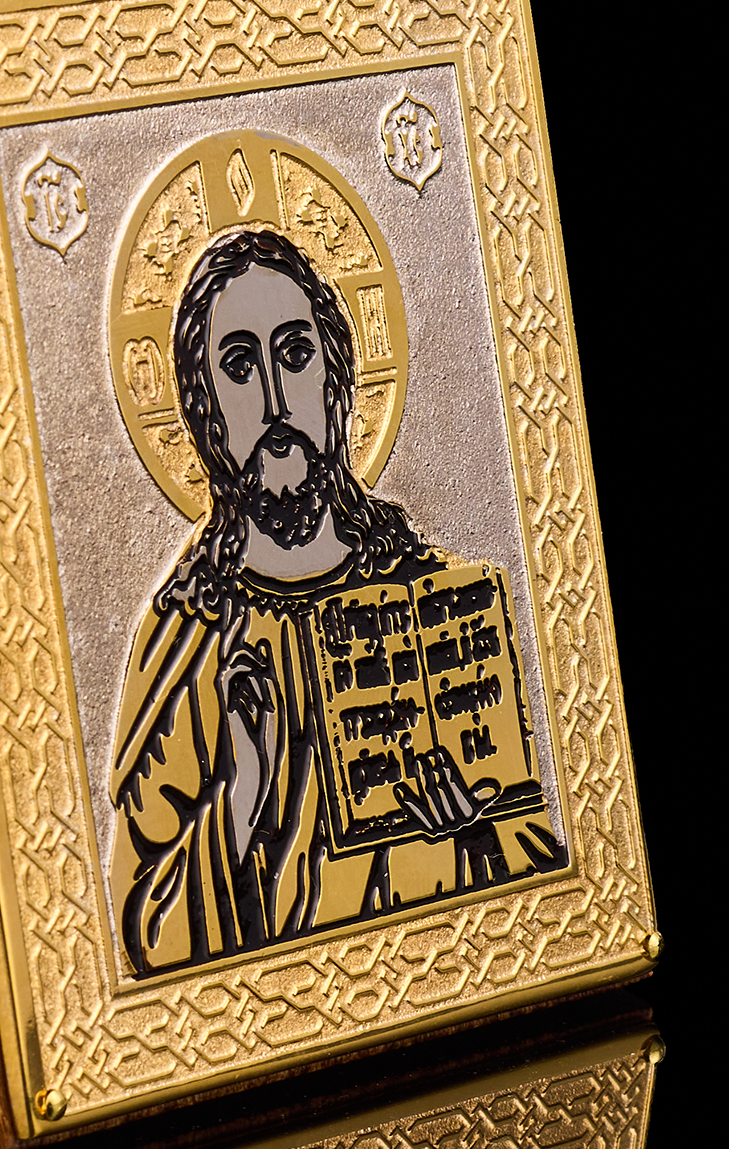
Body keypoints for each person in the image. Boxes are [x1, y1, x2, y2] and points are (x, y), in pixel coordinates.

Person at [109, 229, 559, 979]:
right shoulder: (189, 636)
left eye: (294, 355)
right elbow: (144, 933)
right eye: (240, 367)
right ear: (206, 409)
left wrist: (476, 832)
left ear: (335, 380)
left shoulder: (431, 597)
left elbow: (557, 898)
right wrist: (241, 799)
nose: (275, 401)